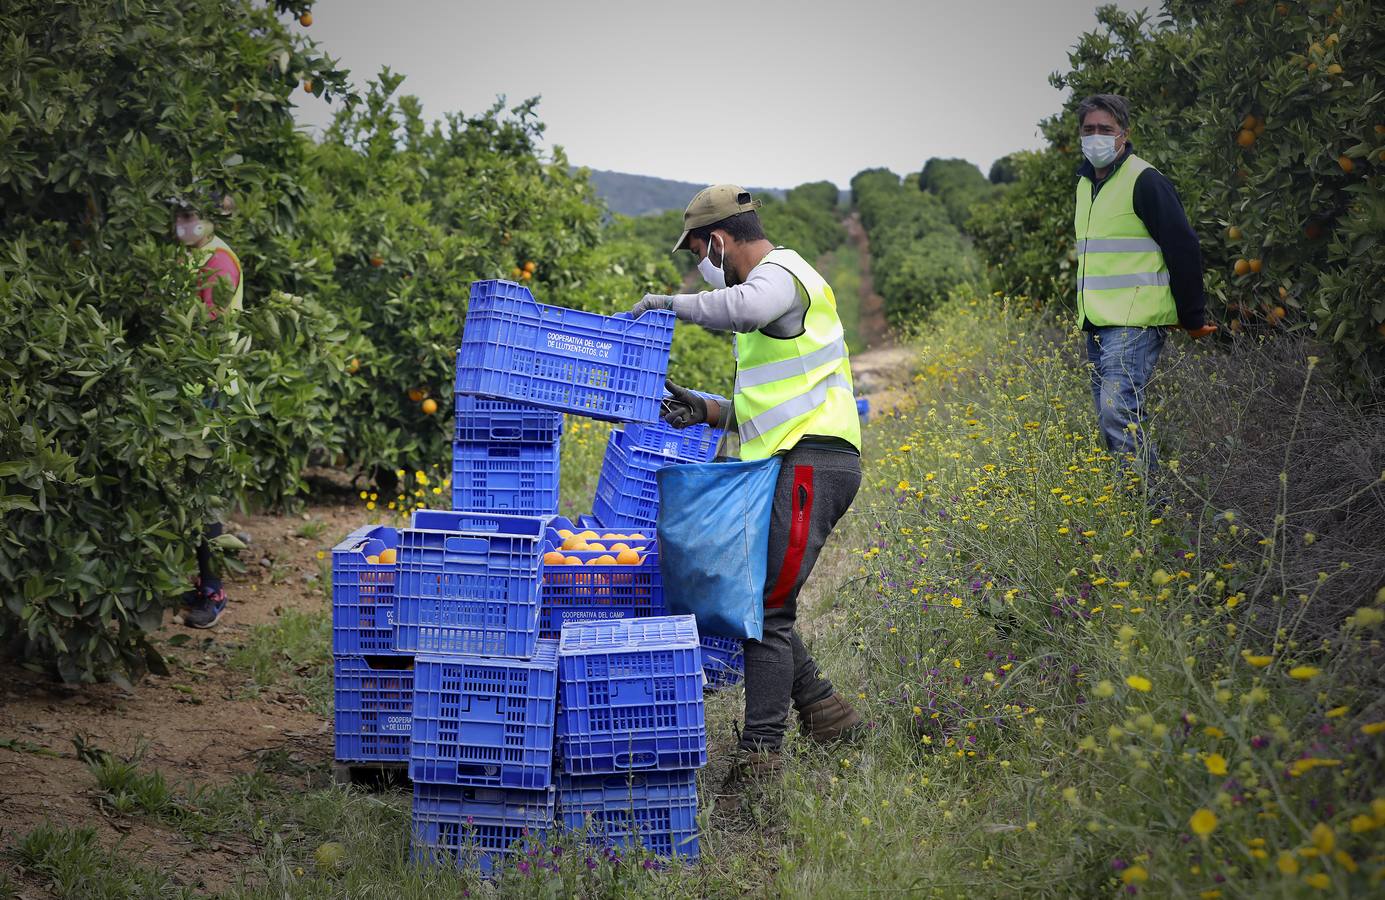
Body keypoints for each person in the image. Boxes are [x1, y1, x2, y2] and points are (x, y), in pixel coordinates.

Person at [631, 184, 864, 780]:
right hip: (791, 458)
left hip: (814, 463)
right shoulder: (770, 295)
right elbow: (775, 403)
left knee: (765, 606)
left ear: (717, 238)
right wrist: (708, 410)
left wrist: (667, 303)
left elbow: (746, 306)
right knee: (760, 597)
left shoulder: (783, 274)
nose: (699, 267)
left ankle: (760, 759)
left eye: (698, 254)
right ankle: (824, 710)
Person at [1073, 93, 1214, 483]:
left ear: (1124, 134)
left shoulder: (1145, 180)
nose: (1096, 136)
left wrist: (1192, 317)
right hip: (1097, 324)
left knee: (1117, 410)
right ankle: (1141, 511)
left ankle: (1149, 511)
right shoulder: (1085, 185)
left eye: (1106, 129)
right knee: (1114, 419)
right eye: (1089, 130)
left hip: (1134, 320)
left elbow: (1183, 247)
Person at [169, 189, 242, 628]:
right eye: (179, 214)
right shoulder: (188, 258)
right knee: (183, 491)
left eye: (191, 215)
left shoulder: (218, 261)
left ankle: (212, 590)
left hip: (208, 390)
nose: (183, 223)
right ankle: (194, 581)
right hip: (184, 387)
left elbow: (200, 324)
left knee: (201, 496)